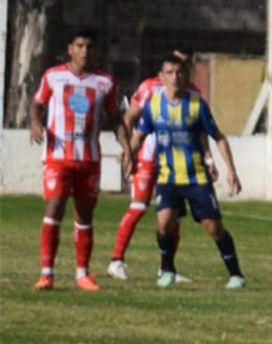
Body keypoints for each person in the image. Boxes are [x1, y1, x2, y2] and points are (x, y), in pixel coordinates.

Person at [128, 55, 245, 289]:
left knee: (213, 227)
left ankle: (236, 275)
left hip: (196, 177)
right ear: (161, 77)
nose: (175, 77)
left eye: (179, 72)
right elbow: (139, 135)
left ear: (186, 75)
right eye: (169, 73)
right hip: (167, 177)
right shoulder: (153, 106)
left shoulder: (197, 105)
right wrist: (129, 156)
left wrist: (231, 169)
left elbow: (218, 137)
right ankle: (167, 270)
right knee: (164, 222)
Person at [29, 27, 131, 291]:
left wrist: (127, 147)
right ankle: (46, 273)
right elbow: (36, 103)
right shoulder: (53, 76)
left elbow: (115, 117)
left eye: (90, 46)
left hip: (89, 160)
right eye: (80, 45)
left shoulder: (105, 82)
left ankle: (82, 274)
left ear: (95, 50)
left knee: (84, 214)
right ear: (70, 49)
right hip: (57, 157)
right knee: (54, 208)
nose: (85, 50)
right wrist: (35, 123)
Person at [108, 46, 208, 283]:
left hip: (176, 163)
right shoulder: (149, 87)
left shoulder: (193, 93)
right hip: (147, 157)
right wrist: (128, 151)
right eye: (173, 67)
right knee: (139, 206)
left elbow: (200, 129)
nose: (177, 73)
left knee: (174, 217)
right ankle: (116, 261)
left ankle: (167, 268)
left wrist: (206, 158)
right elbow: (130, 117)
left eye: (183, 66)